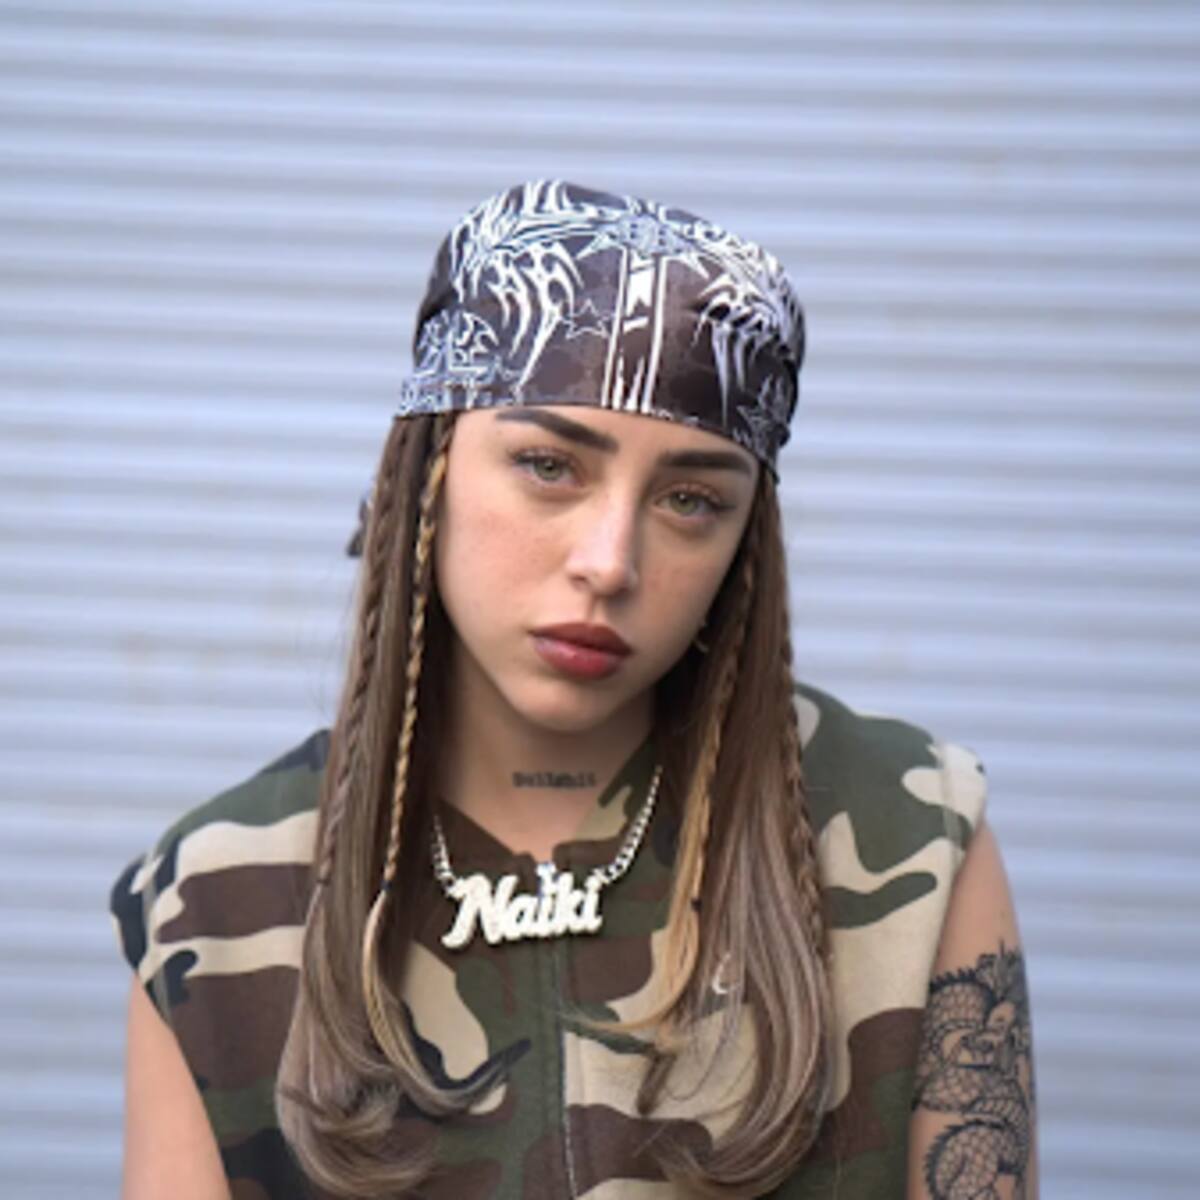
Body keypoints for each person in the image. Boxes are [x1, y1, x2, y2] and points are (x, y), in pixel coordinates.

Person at [110, 179, 1038, 1199]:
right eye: (549, 465)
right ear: (431, 470)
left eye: (691, 498)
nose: (609, 561)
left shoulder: (911, 833)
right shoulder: (212, 897)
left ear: (743, 542)